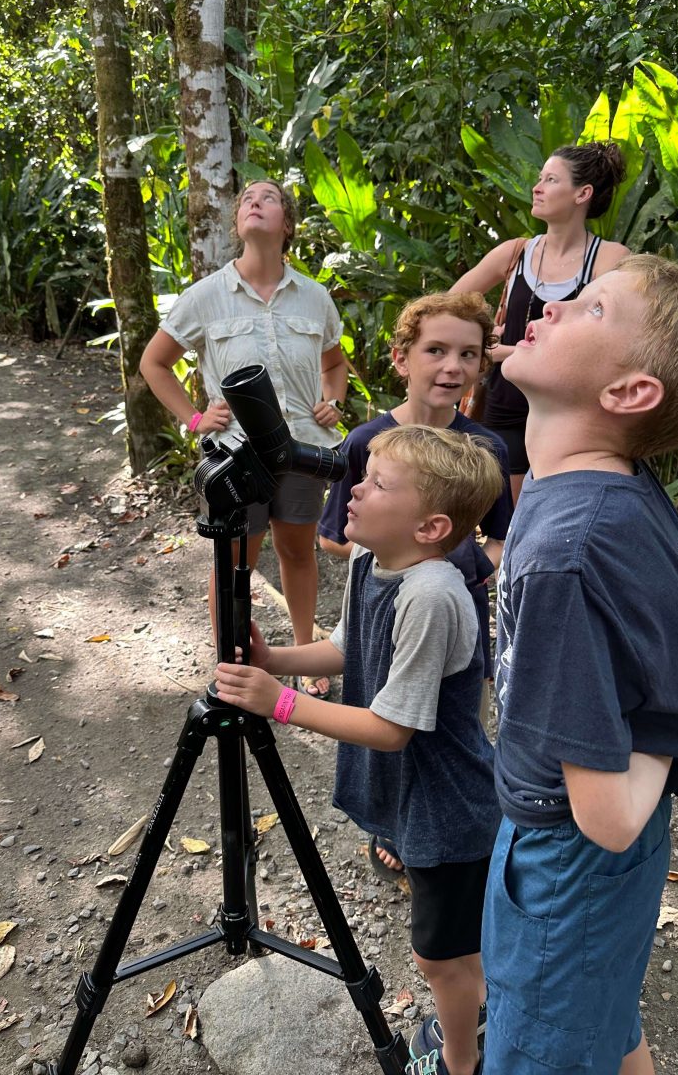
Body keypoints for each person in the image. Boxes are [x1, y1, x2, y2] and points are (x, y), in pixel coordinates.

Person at [483, 254, 678, 1075]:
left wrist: (659, 725)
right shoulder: (610, 487)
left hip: (568, 859)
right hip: (598, 862)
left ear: (629, 394)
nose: (563, 305)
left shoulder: (563, 551)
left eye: (595, 310)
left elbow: (606, 816)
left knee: (543, 1046)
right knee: (603, 1025)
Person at [215, 425, 505, 1075]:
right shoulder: (373, 561)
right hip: (412, 794)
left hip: (450, 806)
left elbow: (391, 727)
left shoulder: (432, 594)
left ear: (429, 527)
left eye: (376, 484)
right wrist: (275, 659)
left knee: (436, 958)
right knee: (455, 944)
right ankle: (485, 998)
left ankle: (461, 1061)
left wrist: (282, 702)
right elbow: (350, 647)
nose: (353, 489)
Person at [318, 291, 512, 878]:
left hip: (453, 619)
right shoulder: (366, 443)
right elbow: (334, 535)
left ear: (482, 366)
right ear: (402, 359)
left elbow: (500, 537)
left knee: (453, 729)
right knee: (386, 717)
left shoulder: (488, 447)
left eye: (469, 354)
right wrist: (395, 550)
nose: (453, 366)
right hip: (387, 604)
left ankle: (449, 834)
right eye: (436, 350)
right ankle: (393, 823)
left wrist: (462, 566)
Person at [140, 180, 348, 691]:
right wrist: (193, 419)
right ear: (238, 224)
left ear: (287, 224)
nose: (256, 202)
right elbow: (154, 363)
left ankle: (304, 656)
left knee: (297, 551)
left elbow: (335, 362)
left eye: (269, 198)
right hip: (235, 455)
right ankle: (233, 661)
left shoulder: (314, 298)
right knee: (234, 562)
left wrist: (333, 400)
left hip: (302, 448)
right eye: (247, 200)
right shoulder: (206, 296)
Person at [451, 141, 629, 503]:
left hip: (572, 415)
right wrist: (486, 344)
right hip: (503, 411)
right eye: (540, 178)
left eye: (550, 179)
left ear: (583, 193)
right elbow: (445, 308)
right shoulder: (516, 252)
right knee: (509, 528)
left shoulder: (609, 259)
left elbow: (624, 336)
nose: (537, 187)